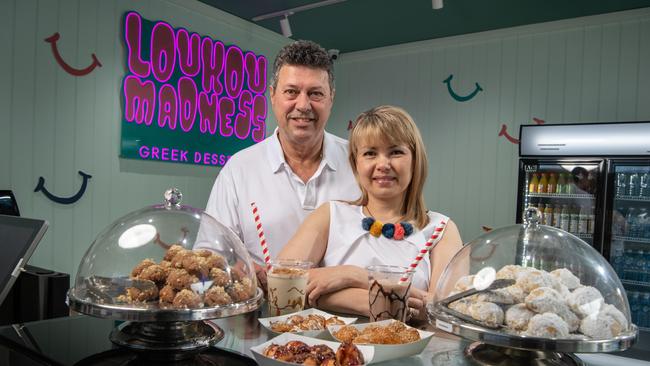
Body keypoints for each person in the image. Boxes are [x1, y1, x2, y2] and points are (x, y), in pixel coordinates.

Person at [197, 40, 359, 289]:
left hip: (347, 318)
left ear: (331, 99)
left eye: (315, 93)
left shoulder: (359, 162)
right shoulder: (239, 169)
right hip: (261, 314)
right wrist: (239, 269)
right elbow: (208, 254)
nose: (303, 105)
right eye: (291, 92)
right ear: (272, 95)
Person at [278, 105, 463, 320]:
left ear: (415, 160)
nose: (383, 164)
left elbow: (446, 312)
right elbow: (283, 285)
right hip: (332, 351)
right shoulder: (331, 214)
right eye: (370, 153)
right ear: (356, 164)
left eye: (395, 152)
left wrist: (353, 276)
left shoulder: (441, 230)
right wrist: (394, 302)